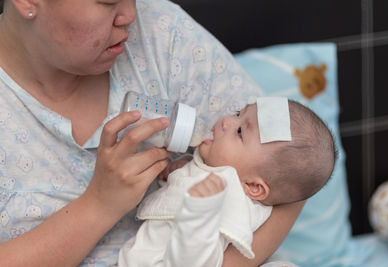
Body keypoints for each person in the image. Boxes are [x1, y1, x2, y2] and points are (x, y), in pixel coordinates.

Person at [0, 0, 305, 266]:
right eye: (108, 1)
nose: (131, 13)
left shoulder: (162, 31)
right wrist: (99, 206)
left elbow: (295, 163)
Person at [118, 98, 336, 267]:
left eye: (240, 132)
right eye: (238, 113)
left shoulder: (231, 203)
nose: (226, 121)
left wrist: (200, 214)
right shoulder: (218, 168)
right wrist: (182, 169)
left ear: (253, 187)